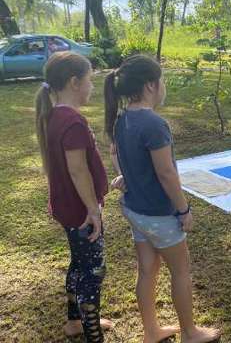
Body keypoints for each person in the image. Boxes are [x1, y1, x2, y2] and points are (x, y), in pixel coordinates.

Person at [104, 55, 221, 343]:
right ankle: (190, 332)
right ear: (151, 85)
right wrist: (183, 210)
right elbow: (167, 173)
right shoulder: (154, 123)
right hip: (159, 215)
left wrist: (126, 176)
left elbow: (118, 155)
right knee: (181, 271)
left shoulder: (123, 119)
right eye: (163, 80)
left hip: (135, 212)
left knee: (147, 270)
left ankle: (151, 331)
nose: (164, 85)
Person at [35, 52, 112, 342]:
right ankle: (92, 334)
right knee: (93, 270)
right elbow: (78, 171)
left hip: (67, 209)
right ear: (74, 82)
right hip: (81, 212)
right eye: (89, 80)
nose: (92, 87)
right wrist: (93, 211)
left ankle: (74, 322)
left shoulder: (53, 115)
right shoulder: (73, 121)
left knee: (79, 263)